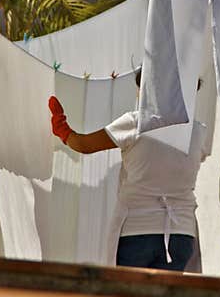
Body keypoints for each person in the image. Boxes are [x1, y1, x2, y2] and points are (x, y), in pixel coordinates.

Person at [48, 69, 207, 272]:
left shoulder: (137, 122)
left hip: (137, 231)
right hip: (181, 235)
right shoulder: (199, 131)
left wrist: (62, 129)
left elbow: (83, 144)